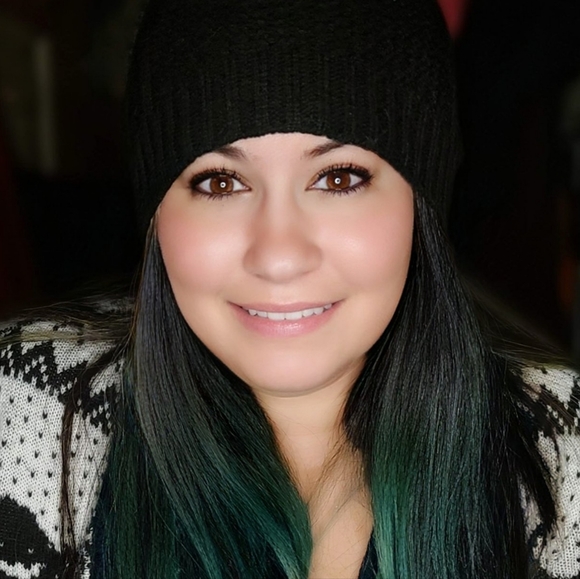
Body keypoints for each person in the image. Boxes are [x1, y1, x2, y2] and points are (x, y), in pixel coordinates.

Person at [1, 0, 579, 578]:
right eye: (221, 183)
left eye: (337, 178)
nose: (279, 256)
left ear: (419, 204)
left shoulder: (560, 456)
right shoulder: (29, 413)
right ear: (155, 218)